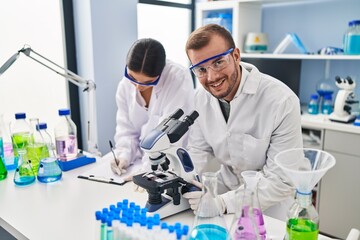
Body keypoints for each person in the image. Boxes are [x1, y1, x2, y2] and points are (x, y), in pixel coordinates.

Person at [182, 24, 303, 220]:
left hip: (270, 210)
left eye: (219, 62)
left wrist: (223, 203)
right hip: (223, 200)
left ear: (236, 55)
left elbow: (281, 181)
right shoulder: (200, 99)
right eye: (201, 69)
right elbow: (198, 151)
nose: (211, 77)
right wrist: (180, 181)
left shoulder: (282, 101)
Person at [110, 38, 195, 176]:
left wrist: (148, 171)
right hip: (137, 165)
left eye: (148, 82)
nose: (138, 86)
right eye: (132, 77)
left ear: (160, 73)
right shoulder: (124, 86)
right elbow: (126, 130)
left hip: (172, 165)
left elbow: (168, 136)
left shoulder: (178, 78)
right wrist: (123, 156)